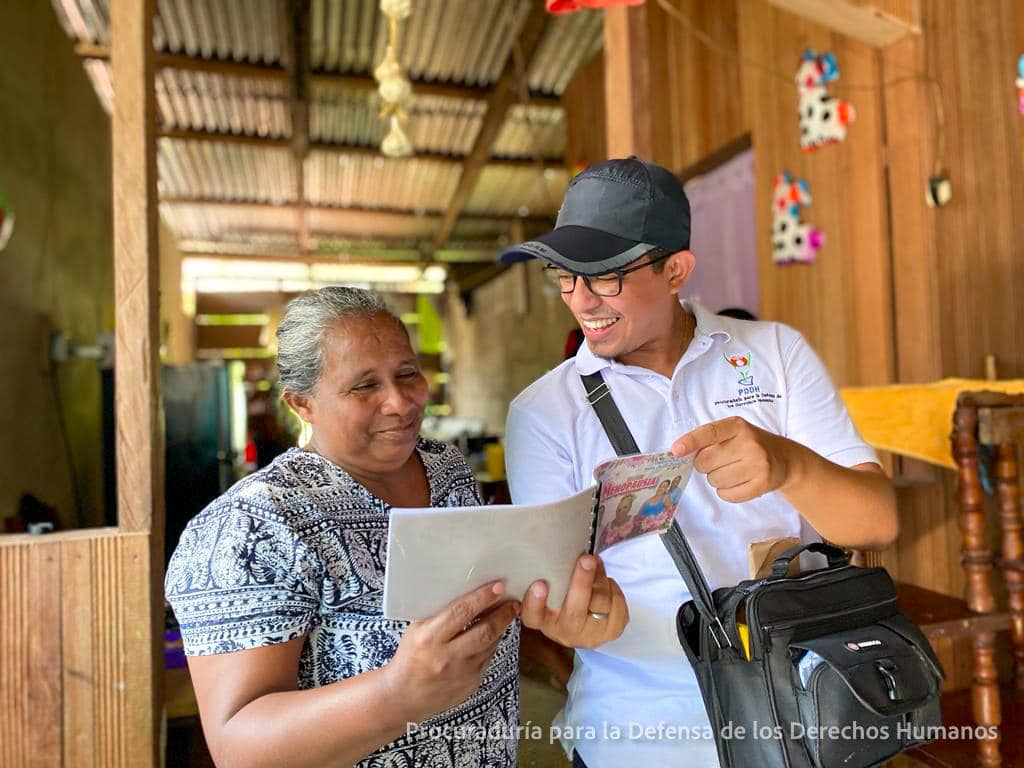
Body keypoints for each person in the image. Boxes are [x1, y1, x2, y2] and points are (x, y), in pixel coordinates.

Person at [500, 157, 898, 767]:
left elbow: (877, 522)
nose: (580, 300)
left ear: (676, 269)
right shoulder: (545, 412)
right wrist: (581, 619)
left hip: (796, 721)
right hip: (637, 738)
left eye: (604, 277)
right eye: (564, 276)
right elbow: (558, 591)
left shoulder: (774, 355)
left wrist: (788, 465)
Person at [165, 287, 623, 768]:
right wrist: (396, 693)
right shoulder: (254, 525)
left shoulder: (443, 467)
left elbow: (485, 609)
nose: (400, 402)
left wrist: (556, 622)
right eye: (365, 387)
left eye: (408, 374)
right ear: (302, 404)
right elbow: (238, 746)